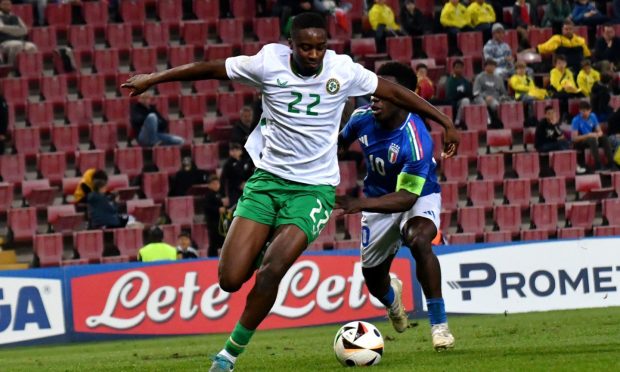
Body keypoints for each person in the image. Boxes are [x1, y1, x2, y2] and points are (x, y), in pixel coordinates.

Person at [121, 12, 458, 372]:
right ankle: (264, 244)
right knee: (230, 279)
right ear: (291, 45)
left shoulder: (342, 69)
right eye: (306, 47)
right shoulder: (267, 62)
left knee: (271, 272)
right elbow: (210, 68)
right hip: (267, 181)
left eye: (320, 46)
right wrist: (154, 79)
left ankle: (228, 356)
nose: (314, 54)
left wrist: (446, 121)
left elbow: (393, 91)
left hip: (313, 191)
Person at [338, 62, 455, 351]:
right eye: (374, 91)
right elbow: (335, 146)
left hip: (416, 196)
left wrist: (359, 202)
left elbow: (406, 198)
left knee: (418, 238)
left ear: (403, 96)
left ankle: (440, 327)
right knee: (374, 280)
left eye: (384, 92)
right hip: (377, 201)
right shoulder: (361, 118)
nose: (375, 97)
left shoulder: (416, 139)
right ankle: (393, 302)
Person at [571, 101, 616, 171]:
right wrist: (588, 135)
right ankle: (598, 165)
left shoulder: (593, 116)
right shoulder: (576, 120)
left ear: (590, 110)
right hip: (581, 141)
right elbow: (574, 138)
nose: (583, 113)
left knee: (604, 137)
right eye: (581, 111)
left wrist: (598, 134)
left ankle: (611, 163)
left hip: (592, 138)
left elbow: (599, 131)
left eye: (585, 111)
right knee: (592, 140)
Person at [509, 61, 547, 126]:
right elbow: (517, 87)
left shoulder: (528, 78)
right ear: (516, 70)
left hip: (530, 94)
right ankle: (530, 119)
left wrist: (532, 89)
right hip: (520, 96)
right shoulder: (514, 78)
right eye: (519, 69)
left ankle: (539, 118)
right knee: (531, 99)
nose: (521, 70)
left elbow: (533, 87)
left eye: (523, 68)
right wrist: (528, 88)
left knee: (543, 97)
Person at [0, 0, 37, 65]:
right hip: (4, 43)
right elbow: (2, 28)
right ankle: (10, 67)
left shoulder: (15, 17)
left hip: (19, 41)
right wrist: (18, 30)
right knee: (16, 45)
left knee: (32, 47)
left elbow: (25, 30)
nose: (7, 6)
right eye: (4, 4)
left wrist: (9, 30)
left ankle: (29, 69)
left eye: (8, 4)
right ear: (0, 5)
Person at [473, 59, 507, 128]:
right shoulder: (479, 77)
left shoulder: (499, 78)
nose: (492, 67)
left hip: (495, 98)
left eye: (493, 66)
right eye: (490, 65)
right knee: (485, 102)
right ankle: (488, 123)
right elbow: (475, 92)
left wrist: (502, 98)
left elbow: (503, 92)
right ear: (485, 67)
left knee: (501, 103)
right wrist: (485, 97)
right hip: (481, 97)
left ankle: (500, 123)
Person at [549, 54, 583, 119]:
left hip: (569, 90)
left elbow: (572, 82)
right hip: (558, 91)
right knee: (564, 96)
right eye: (559, 63)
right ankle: (564, 115)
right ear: (555, 64)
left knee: (581, 94)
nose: (561, 64)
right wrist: (563, 88)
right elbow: (554, 83)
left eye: (563, 62)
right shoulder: (553, 72)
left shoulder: (568, 72)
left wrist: (572, 88)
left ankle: (578, 114)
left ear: (566, 63)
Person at [220, 143, 252, 207]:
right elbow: (223, 180)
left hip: (247, 190)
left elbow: (250, 174)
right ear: (230, 152)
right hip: (233, 192)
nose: (234, 152)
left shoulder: (246, 162)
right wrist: (224, 196)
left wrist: (246, 183)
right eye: (232, 150)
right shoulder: (228, 164)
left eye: (236, 150)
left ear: (241, 151)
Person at [445, 59, 473, 128]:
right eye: (457, 67)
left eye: (461, 67)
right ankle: (458, 121)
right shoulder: (450, 81)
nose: (459, 69)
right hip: (455, 102)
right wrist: (461, 94)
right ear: (453, 69)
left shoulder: (465, 80)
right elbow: (450, 95)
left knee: (475, 100)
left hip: (464, 99)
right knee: (465, 101)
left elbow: (469, 92)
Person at [203, 174, 226, 258]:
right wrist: (217, 209)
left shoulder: (220, 194)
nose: (216, 185)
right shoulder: (208, 195)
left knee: (223, 241)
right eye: (213, 183)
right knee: (213, 242)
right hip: (213, 222)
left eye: (217, 183)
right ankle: (211, 259)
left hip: (221, 222)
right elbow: (206, 208)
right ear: (209, 185)